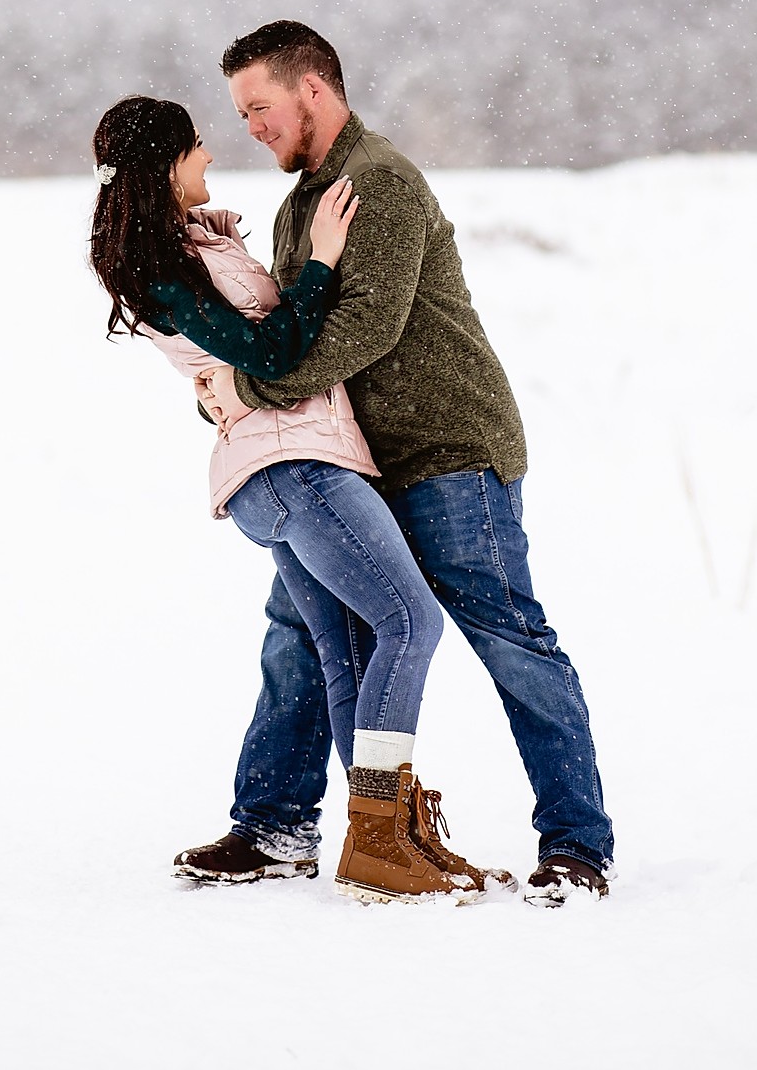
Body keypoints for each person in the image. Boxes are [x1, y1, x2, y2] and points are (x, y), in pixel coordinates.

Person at [174, 22, 615, 906]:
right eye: (240, 112)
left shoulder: (377, 183)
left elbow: (358, 332)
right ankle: (274, 824)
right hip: (353, 466)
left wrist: (248, 390)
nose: (252, 127)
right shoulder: (306, 202)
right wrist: (220, 383)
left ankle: (576, 845)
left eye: (259, 106)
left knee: (510, 638)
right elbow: (284, 329)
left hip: (447, 453)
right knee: (299, 631)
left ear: (314, 89)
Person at [88, 93, 508, 902]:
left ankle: (381, 837)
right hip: (296, 468)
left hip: (282, 469)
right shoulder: (162, 271)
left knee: (345, 651)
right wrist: (319, 260)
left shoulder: (177, 252)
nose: (211, 156)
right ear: (163, 166)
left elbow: (233, 354)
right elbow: (277, 352)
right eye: (198, 146)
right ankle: (382, 836)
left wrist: (227, 248)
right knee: (410, 622)